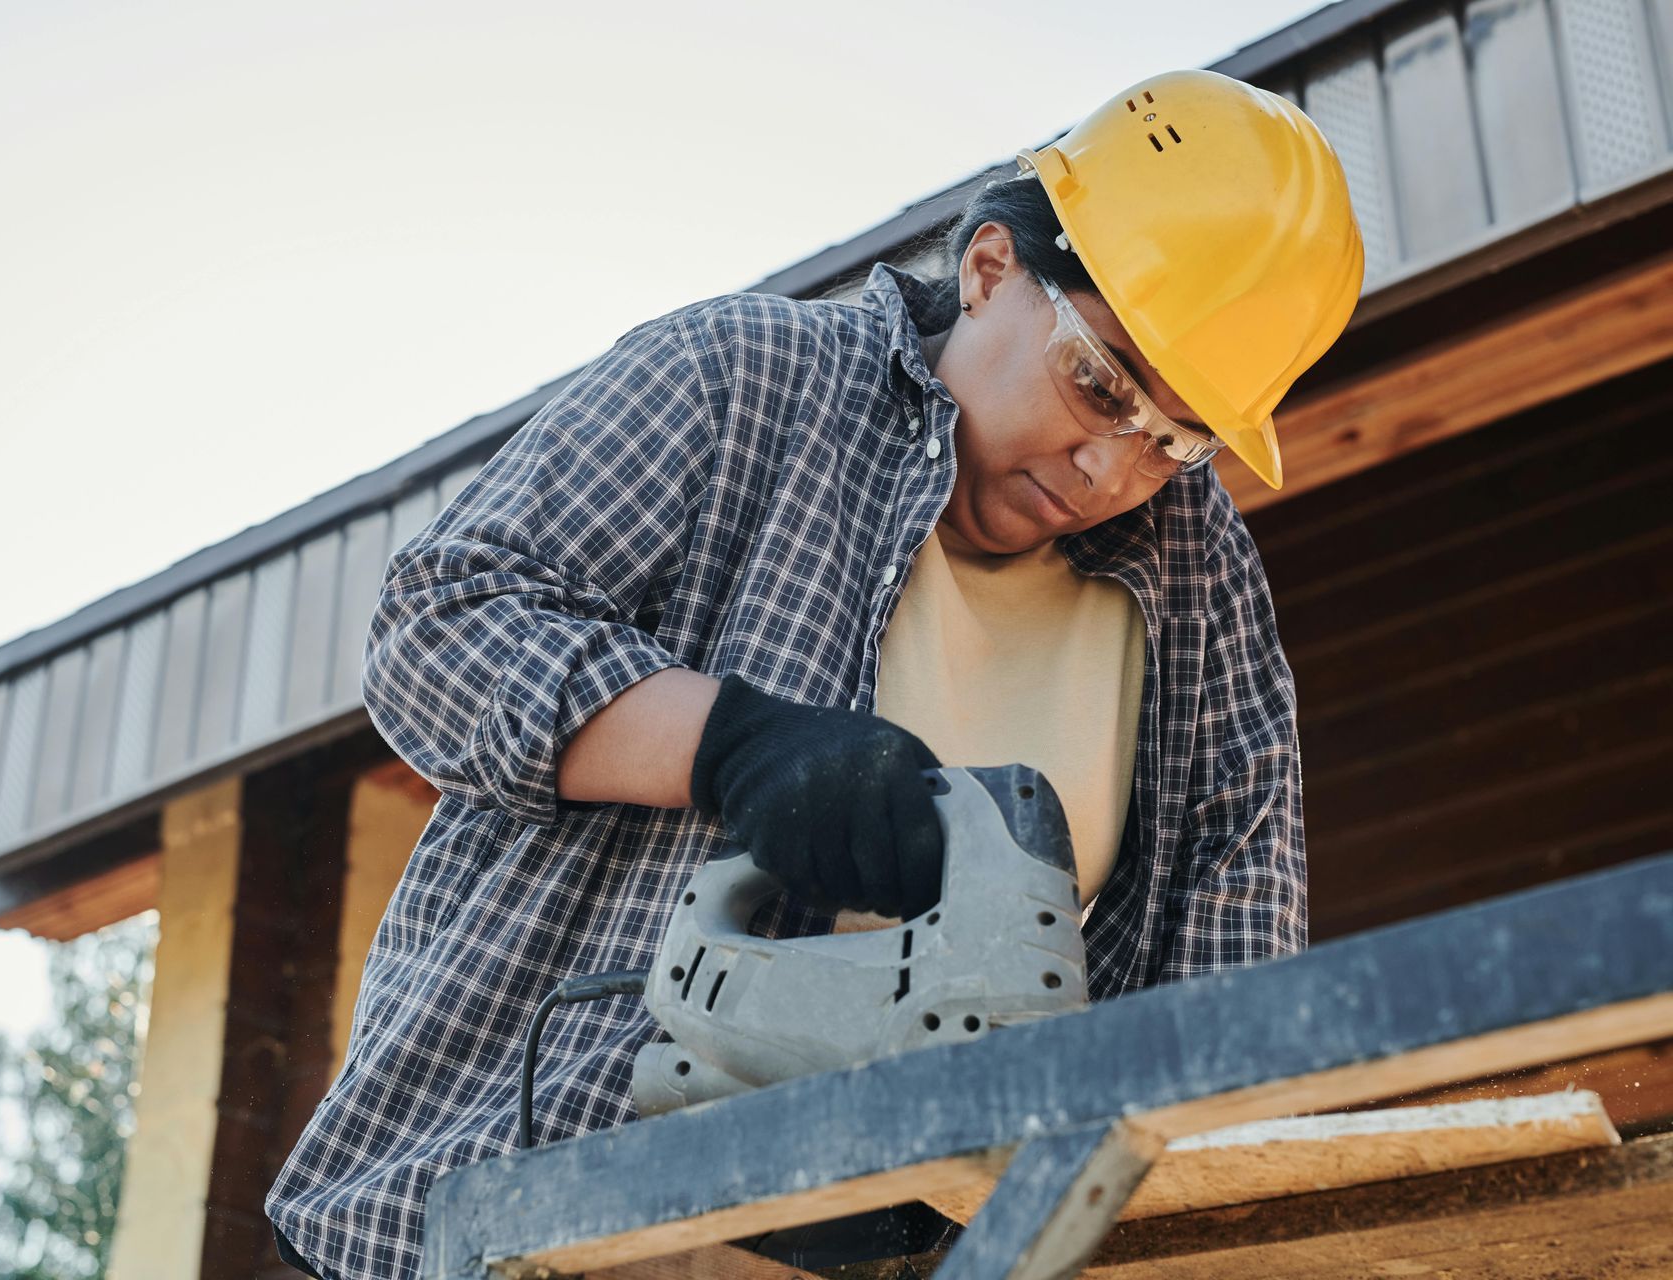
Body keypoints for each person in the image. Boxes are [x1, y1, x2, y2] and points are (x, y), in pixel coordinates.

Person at [267, 68, 1364, 1279]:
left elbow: (1236, 944)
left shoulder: (1200, 577)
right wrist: (730, 746)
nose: (1110, 467)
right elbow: (439, 621)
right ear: (990, 267)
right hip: (544, 1201)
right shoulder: (747, 379)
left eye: (1175, 437)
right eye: (1097, 380)